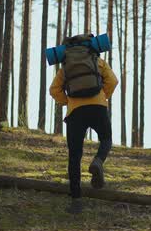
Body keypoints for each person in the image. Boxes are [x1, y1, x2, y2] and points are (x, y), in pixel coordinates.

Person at [49, 35, 118, 214]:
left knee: (75, 156)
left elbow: (54, 89)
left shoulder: (66, 67)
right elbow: (113, 81)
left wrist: (67, 101)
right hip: (98, 107)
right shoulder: (98, 61)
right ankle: (98, 161)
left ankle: (76, 201)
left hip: (75, 112)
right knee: (106, 139)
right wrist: (103, 97)